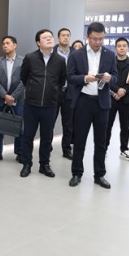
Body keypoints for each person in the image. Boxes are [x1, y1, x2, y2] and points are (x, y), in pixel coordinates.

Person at [67, 22, 117, 188]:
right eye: (95, 39)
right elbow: (70, 77)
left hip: (102, 104)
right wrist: (85, 79)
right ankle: (76, 173)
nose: (98, 42)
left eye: (101, 39)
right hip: (83, 102)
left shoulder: (110, 55)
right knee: (80, 140)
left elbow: (116, 77)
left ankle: (99, 175)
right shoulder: (76, 55)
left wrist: (110, 78)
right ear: (88, 37)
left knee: (101, 142)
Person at [19, 29, 67, 178]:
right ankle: (27, 164)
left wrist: (53, 92)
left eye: (50, 37)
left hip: (50, 105)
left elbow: (61, 80)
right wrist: (32, 90)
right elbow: (24, 77)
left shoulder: (60, 60)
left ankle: (44, 164)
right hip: (31, 105)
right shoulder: (30, 58)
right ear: (38, 42)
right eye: (45, 37)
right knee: (28, 135)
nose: (49, 39)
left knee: (47, 137)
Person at [0, 35, 24, 163]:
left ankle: (19, 153)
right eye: (3, 43)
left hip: (18, 99)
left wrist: (13, 96)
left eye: (8, 43)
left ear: (15, 45)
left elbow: (24, 81)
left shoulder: (23, 61)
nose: (5, 45)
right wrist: (5, 96)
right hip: (2, 99)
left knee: (19, 127)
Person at [107, 37, 129, 158]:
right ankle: (103, 148)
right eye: (119, 46)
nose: (122, 48)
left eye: (124, 46)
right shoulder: (110, 63)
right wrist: (116, 91)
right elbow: (107, 79)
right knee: (107, 125)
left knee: (125, 126)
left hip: (126, 100)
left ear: (128, 48)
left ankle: (124, 149)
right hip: (111, 98)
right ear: (115, 48)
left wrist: (124, 91)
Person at [54, 28, 74, 160]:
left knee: (68, 124)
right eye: (63, 35)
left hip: (70, 92)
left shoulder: (76, 53)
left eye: (68, 35)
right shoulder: (52, 52)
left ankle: (67, 149)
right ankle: (47, 147)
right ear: (58, 38)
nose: (66, 37)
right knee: (50, 122)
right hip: (55, 92)